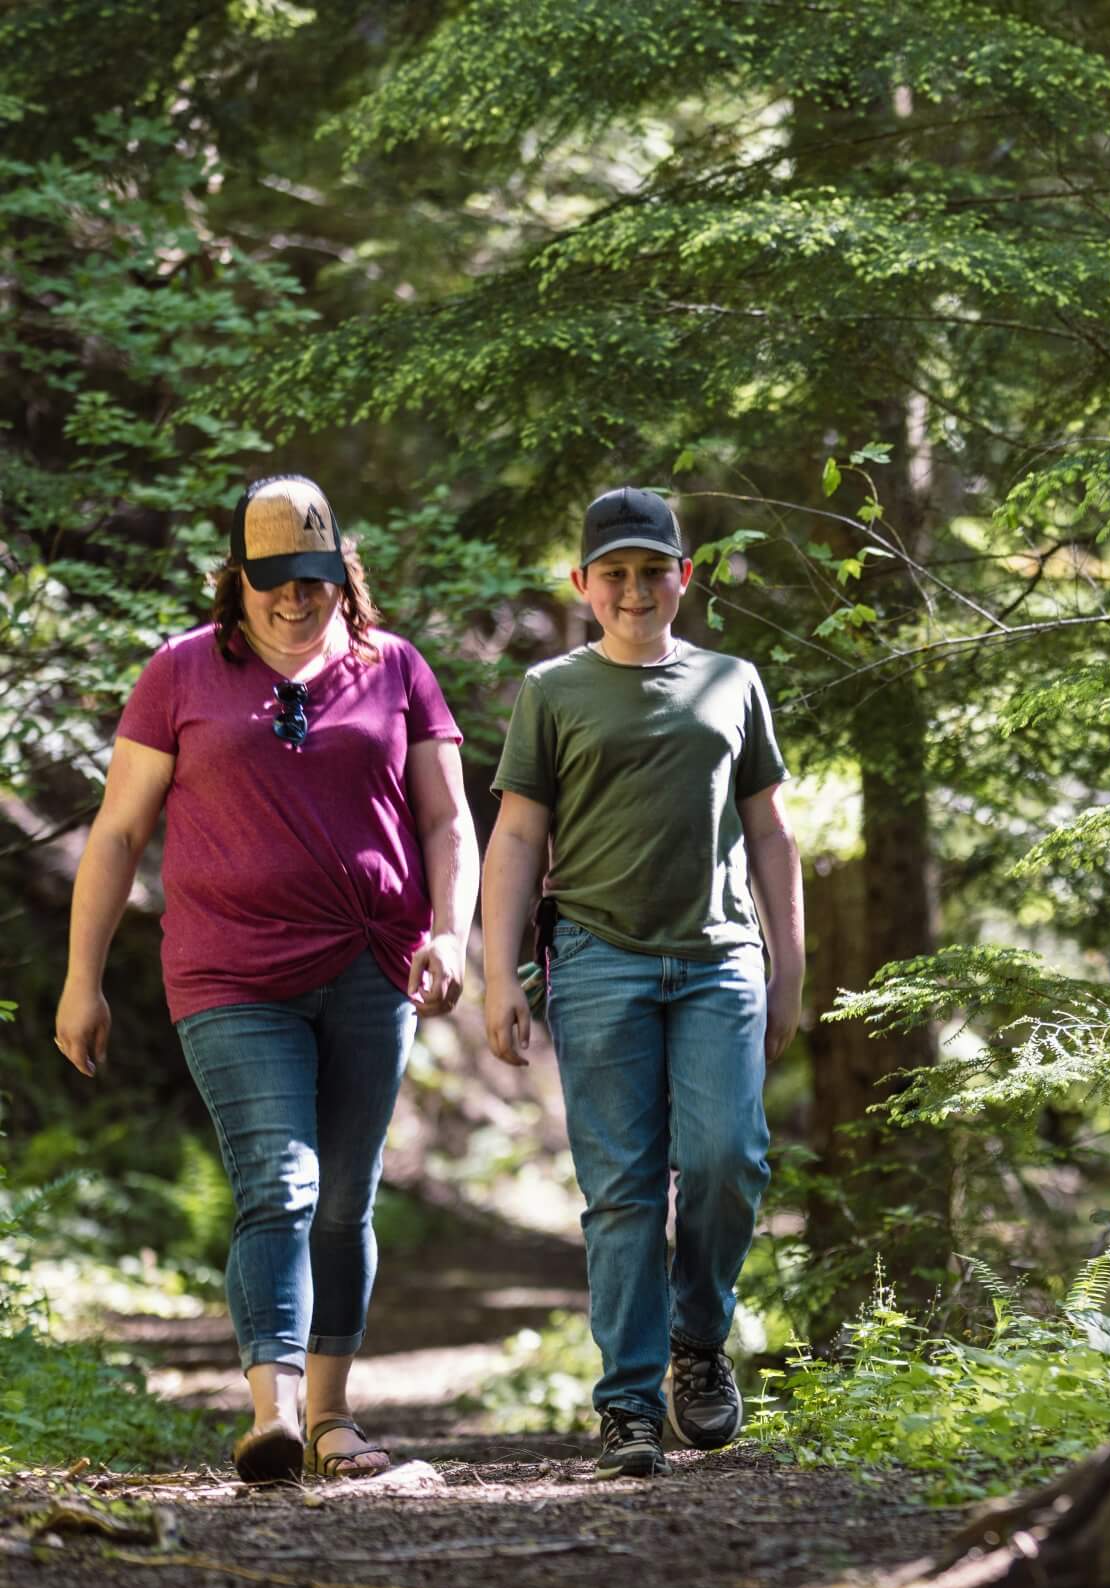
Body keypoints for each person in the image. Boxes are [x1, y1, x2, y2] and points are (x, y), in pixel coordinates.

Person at [54, 474, 472, 1484]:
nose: (295, 597)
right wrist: (83, 979)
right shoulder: (180, 674)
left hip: (373, 965)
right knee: (279, 1184)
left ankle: (331, 1419)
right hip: (230, 972)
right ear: (236, 578)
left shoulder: (397, 670)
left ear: (343, 574)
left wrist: (453, 935)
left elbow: (449, 820)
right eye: (273, 577)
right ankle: (272, 1415)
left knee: (344, 1202)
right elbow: (116, 833)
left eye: (314, 576)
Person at [481, 485, 803, 1478]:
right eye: (613, 574)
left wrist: (790, 969)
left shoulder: (732, 682)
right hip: (599, 959)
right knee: (621, 1191)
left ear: (682, 576)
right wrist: (500, 972)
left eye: (651, 571)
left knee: (726, 1159)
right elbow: (518, 835)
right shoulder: (554, 690)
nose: (633, 590)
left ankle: (698, 1342)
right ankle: (626, 1403)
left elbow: (769, 832)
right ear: (582, 583)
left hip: (718, 960)